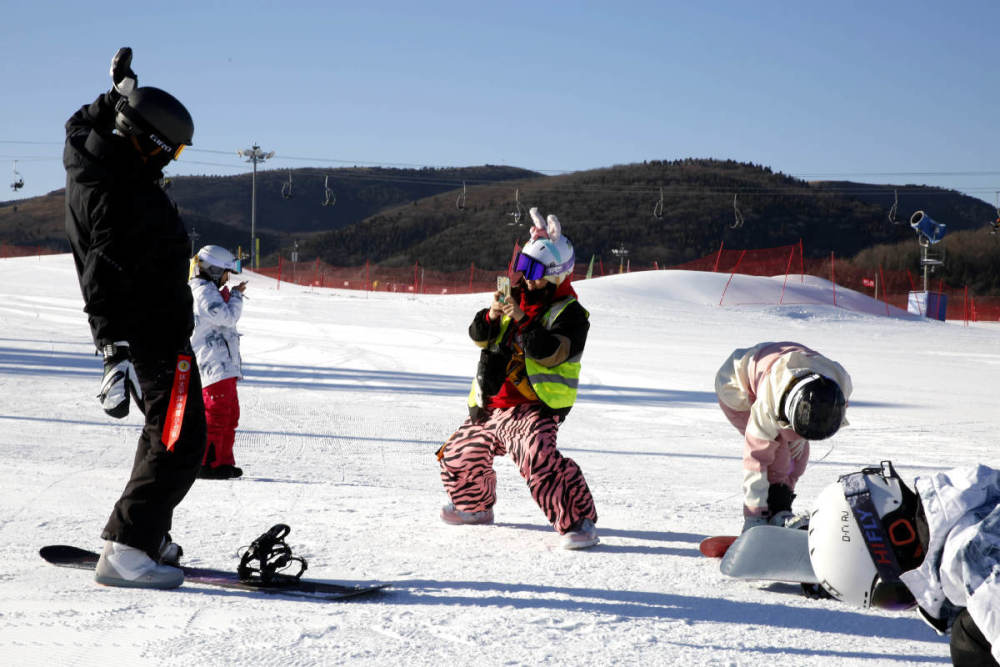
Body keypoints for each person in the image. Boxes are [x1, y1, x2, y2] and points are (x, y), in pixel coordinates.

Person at [63, 48, 203, 589]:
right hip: (151, 334)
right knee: (178, 439)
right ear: (146, 143)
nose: (172, 161)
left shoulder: (92, 154)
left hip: (155, 329)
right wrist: (112, 349)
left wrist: (118, 92)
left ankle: (144, 533)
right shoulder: (119, 196)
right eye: (171, 151)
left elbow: (79, 121)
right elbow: (102, 270)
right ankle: (128, 550)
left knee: (163, 432)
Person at [437, 207, 599, 549]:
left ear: (557, 274)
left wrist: (524, 320)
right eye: (523, 267)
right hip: (492, 404)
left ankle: (578, 521)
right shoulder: (513, 297)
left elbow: (551, 352)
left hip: (534, 406)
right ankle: (474, 507)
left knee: (537, 455)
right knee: (457, 454)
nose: (527, 277)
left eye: (536, 271)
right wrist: (492, 314)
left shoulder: (569, 312)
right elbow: (479, 336)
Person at [809, 462, 999, 666]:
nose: (914, 602)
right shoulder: (979, 505)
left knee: (970, 641)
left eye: (893, 596)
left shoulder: (981, 573)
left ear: (899, 536)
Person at [714, 342, 851, 532]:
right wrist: (754, 515)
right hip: (735, 386)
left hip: (786, 376)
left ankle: (780, 509)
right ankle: (767, 513)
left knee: (799, 455)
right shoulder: (767, 405)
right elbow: (755, 460)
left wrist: (785, 491)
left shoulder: (839, 385)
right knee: (777, 452)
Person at [189, 245, 246, 479]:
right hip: (213, 366)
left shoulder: (209, 291)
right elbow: (227, 318)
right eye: (225, 273)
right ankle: (206, 463)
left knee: (230, 415)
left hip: (224, 365)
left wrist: (228, 295)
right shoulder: (203, 292)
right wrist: (236, 297)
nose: (227, 279)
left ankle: (222, 461)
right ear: (213, 270)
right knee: (216, 415)